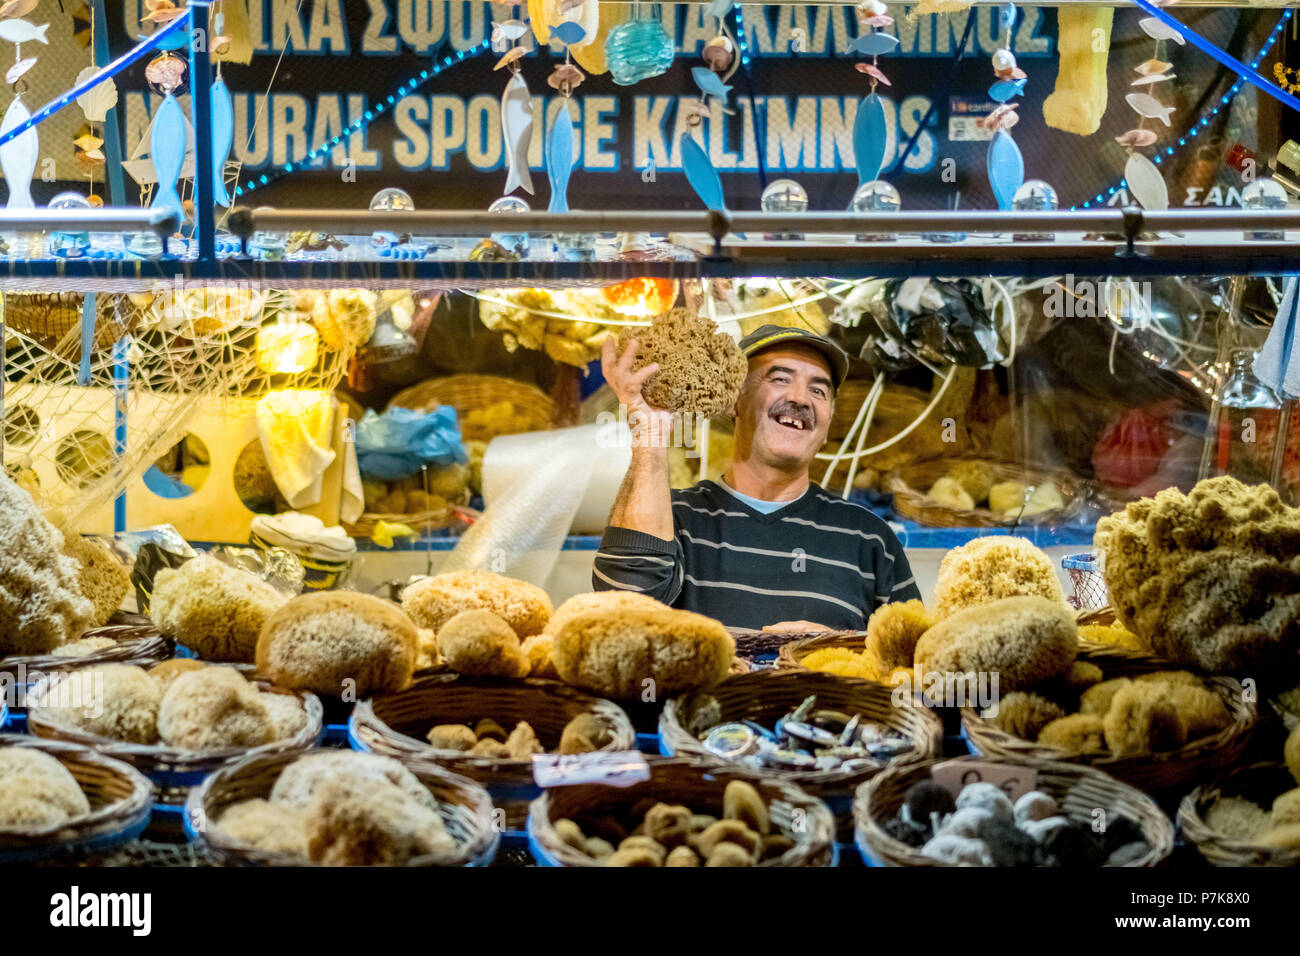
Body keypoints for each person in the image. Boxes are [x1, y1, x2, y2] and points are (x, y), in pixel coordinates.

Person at [592, 323, 920, 631]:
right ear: (734, 400)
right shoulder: (673, 518)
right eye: (780, 379)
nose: (800, 398)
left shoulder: (870, 538)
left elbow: (912, 663)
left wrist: (840, 650)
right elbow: (622, 609)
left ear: (827, 424)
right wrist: (649, 436)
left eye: (819, 391)